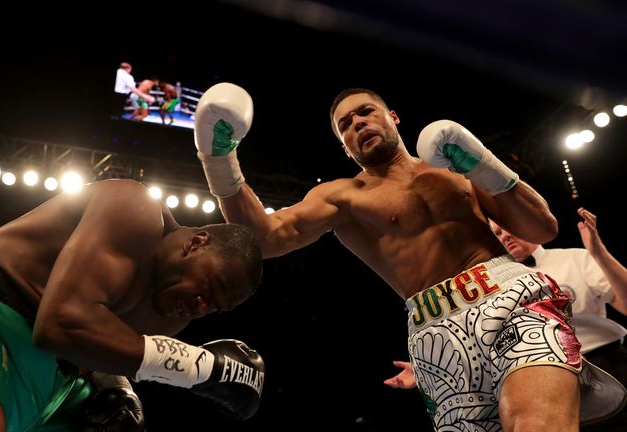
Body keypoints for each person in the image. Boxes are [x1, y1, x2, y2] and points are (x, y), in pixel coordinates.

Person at [193, 83, 587, 431]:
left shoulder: (454, 168)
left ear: (393, 117)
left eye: (365, 112)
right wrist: (219, 158)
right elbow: (264, 238)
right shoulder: (343, 197)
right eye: (345, 125)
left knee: (535, 424)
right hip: (437, 335)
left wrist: (481, 162)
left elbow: (541, 228)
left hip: (511, 297)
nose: (357, 124)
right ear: (344, 147)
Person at [0, 179, 266, 432]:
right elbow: (61, 324)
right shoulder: (135, 209)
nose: (200, 307)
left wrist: (113, 385)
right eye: (210, 286)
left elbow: (91, 351)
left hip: (52, 378)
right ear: (196, 243)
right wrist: (201, 369)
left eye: (214, 308)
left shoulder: (169, 317)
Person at [384, 209, 627, 429]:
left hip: (606, 363)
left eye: (509, 227)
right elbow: (474, 340)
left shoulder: (574, 258)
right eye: (497, 232)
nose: (506, 235)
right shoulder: (487, 287)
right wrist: (426, 368)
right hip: (530, 380)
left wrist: (599, 254)